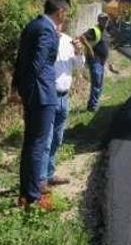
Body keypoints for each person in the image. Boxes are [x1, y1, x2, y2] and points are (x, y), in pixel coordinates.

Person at [12, 0, 71, 210]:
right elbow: (36, 64)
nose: (66, 17)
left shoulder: (32, 25)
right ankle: (34, 197)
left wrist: (17, 88)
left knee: (30, 145)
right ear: (60, 11)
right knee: (37, 145)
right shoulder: (47, 30)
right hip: (43, 94)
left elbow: (20, 60)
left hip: (32, 92)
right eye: (66, 13)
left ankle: (25, 194)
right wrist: (29, 90)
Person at [42, 28, 85, 187]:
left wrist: (79, 51)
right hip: (48, 96)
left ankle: (49, 173)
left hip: (64, 97)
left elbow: (79, 66)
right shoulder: (43, 41)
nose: (56, 26)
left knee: (57, 138)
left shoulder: (68, 41)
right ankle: (41, 180)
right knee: (46, 140)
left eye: (59, 23)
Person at [81, 14, 110, 112]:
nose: (105, 22)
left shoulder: (105, 31)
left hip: (102, 62)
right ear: (98, 20)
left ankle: (94, 104)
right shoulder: (94, 30)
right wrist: (89, 49)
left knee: (100, 85)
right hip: (95, 61)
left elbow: (105, 46)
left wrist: (107, 61)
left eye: (106, 20)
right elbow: (82, 37)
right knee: (96, 84)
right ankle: (92, 106)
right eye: (103, 20)